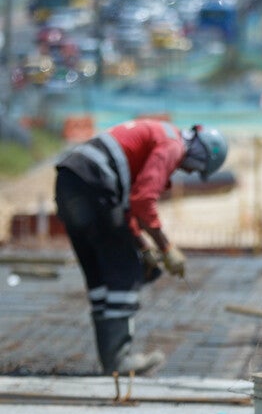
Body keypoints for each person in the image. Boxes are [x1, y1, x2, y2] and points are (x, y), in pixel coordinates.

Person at [54, 119, 228, 375]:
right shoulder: (173, 145)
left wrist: (143, 246)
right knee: (125, 271)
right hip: (94, 184)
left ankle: (111, 360)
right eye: (196, 168)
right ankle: (119, 360)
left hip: (71, 182)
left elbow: (125, 207)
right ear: (201, 153)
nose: (190, 173)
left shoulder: (159, 134)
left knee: (100, 275)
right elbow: (143, 201)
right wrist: (167, 248)